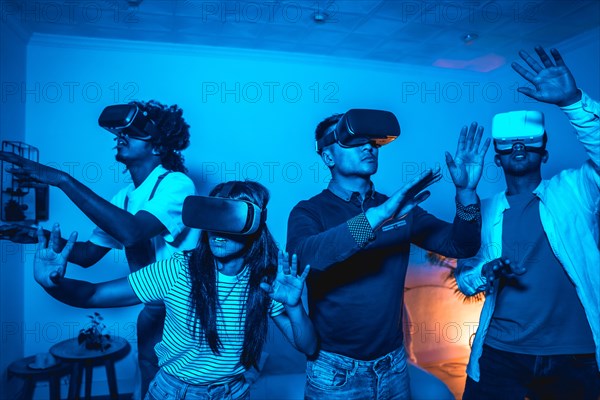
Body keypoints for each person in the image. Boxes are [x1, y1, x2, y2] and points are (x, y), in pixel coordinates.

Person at [33, 180, 317, 400]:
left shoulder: (266, 282)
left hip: (233, 393)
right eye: (211, 217)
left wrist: (294, 307)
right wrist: (52, 282)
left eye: (228, 219)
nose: (217, 231)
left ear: (253, 225)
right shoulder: (178, 270)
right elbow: (91, 295)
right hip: (173, 392)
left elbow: (308, 347)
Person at [0, 100, 200, 397]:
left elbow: (133, 233)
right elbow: (87, 256)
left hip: (186, 307)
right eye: (118, 133)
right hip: (153, 301)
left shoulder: (176, 184)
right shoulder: (124, 197)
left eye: (131, 133)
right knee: (147, 368)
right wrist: (32, 234)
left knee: (177, 379)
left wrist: (61, 180)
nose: (120, 136)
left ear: (158, 147)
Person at [286, 108, 489, 399]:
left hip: (393, 366)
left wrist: (466, 193)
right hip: (335, 372)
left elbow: (461, 245)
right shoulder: (309, 211)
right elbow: (309, 257)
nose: (369, 146)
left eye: (371, 140)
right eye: (352, 141)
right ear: (328, 157)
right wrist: (376, 217)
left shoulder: (399, 208)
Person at [455, 46, 600, 400]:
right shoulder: (483, 209)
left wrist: (573, 102)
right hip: (501, 353)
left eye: (529, 143)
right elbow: (466, 279)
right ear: (499, 159)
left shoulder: (574, 190)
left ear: (544, 154)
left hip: (573, 353)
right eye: (509, 144)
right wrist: (486, 271)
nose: (519, 146)